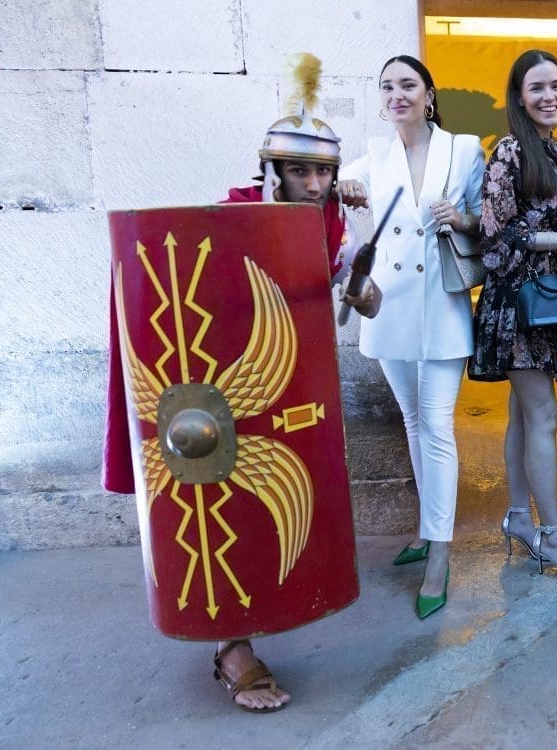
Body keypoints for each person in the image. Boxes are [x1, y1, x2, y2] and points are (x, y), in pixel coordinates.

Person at [103, 53, 377, 713]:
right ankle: (231, 649)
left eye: (324, 172)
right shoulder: (228, 216)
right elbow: (189, 296)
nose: (314, 183)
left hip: (284, 392)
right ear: (271, 170)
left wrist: (361, 272)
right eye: (300, 171)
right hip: (209, 393)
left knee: (268, 512)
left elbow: (365, 301)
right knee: (215, 513)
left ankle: (265, 612)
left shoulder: (331, 222)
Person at [337, 55, 485, 620]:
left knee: (438, 425)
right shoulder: (371, 157)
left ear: (429, 93)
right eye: (387, 87)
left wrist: (461, 218)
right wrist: (346, 190)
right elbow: (332, 191)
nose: (397, 94)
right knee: (413, 421)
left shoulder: (463, 149)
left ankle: (440, 555)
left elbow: (486, 220)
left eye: (408, 85)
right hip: (391, 308)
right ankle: (426, 529)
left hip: (443, 305)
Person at [470, 49, 557, 582]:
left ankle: (520, 518)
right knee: (544, 416)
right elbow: (496, 238)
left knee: (525, 416)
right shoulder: (509, 151)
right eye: (537, 88)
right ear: (519, 96)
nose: (550, 96)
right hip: (519, 306)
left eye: (556, 85)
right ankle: (553, 536)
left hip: (550, 303)